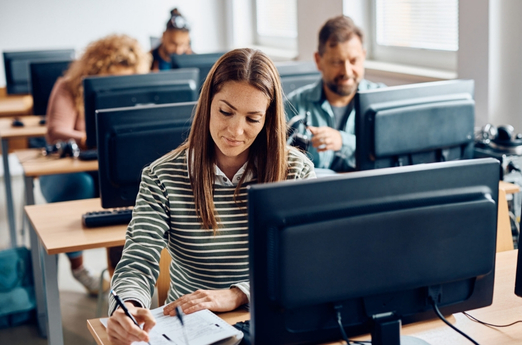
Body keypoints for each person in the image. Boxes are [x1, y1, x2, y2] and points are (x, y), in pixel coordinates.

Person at [106, 48, 316, 344]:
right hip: (190, 326)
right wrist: (128, 306)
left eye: (252, 119)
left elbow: (305, 265)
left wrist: (236, 294)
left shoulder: (296, 172)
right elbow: (138, 260)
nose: (235, 130)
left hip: (269, 320)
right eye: (226, 112)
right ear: (208, 104)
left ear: (267, 120)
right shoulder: (160, 176)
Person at [42, 34, 150, 295]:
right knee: (82, 185)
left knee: (131, 191)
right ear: (97, 69)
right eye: (112, 78)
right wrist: (101, 136)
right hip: (70, 169)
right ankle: (79, 267)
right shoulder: (68, 86)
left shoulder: (134, 86)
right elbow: (57, 130)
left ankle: (125, 281)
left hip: (113, 168)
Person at [285, 15, 385, 172]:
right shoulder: (293, 106)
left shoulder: (383, 100)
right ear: (318, 61)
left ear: (363, 57)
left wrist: (343, 142)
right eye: (337, 62)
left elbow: (394, 150)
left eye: (354, 61)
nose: (346, 71)